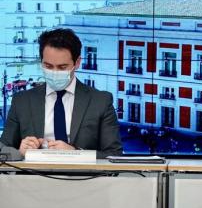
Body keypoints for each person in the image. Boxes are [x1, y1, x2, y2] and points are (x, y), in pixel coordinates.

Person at [0, 28, 122, 160]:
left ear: (77, 63)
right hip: (33, 177)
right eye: (48, 66)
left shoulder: (100, 101)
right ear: (41, 61)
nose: (54, 72)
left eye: (62, 67)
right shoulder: (22, 101)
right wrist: (20, 152)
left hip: (83, 178)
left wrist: (75, 152)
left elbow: (114, 155)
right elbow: (3, 149)